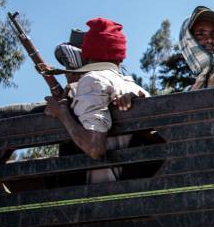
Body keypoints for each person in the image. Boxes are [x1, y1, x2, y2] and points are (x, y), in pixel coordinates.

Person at [44, 18, 149, 183]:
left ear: (87, 53)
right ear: (120, 58)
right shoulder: (135, 87)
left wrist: (62, 111)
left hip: (105, 190)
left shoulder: (92, 80)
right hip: (136, 183)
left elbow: (94, 149)